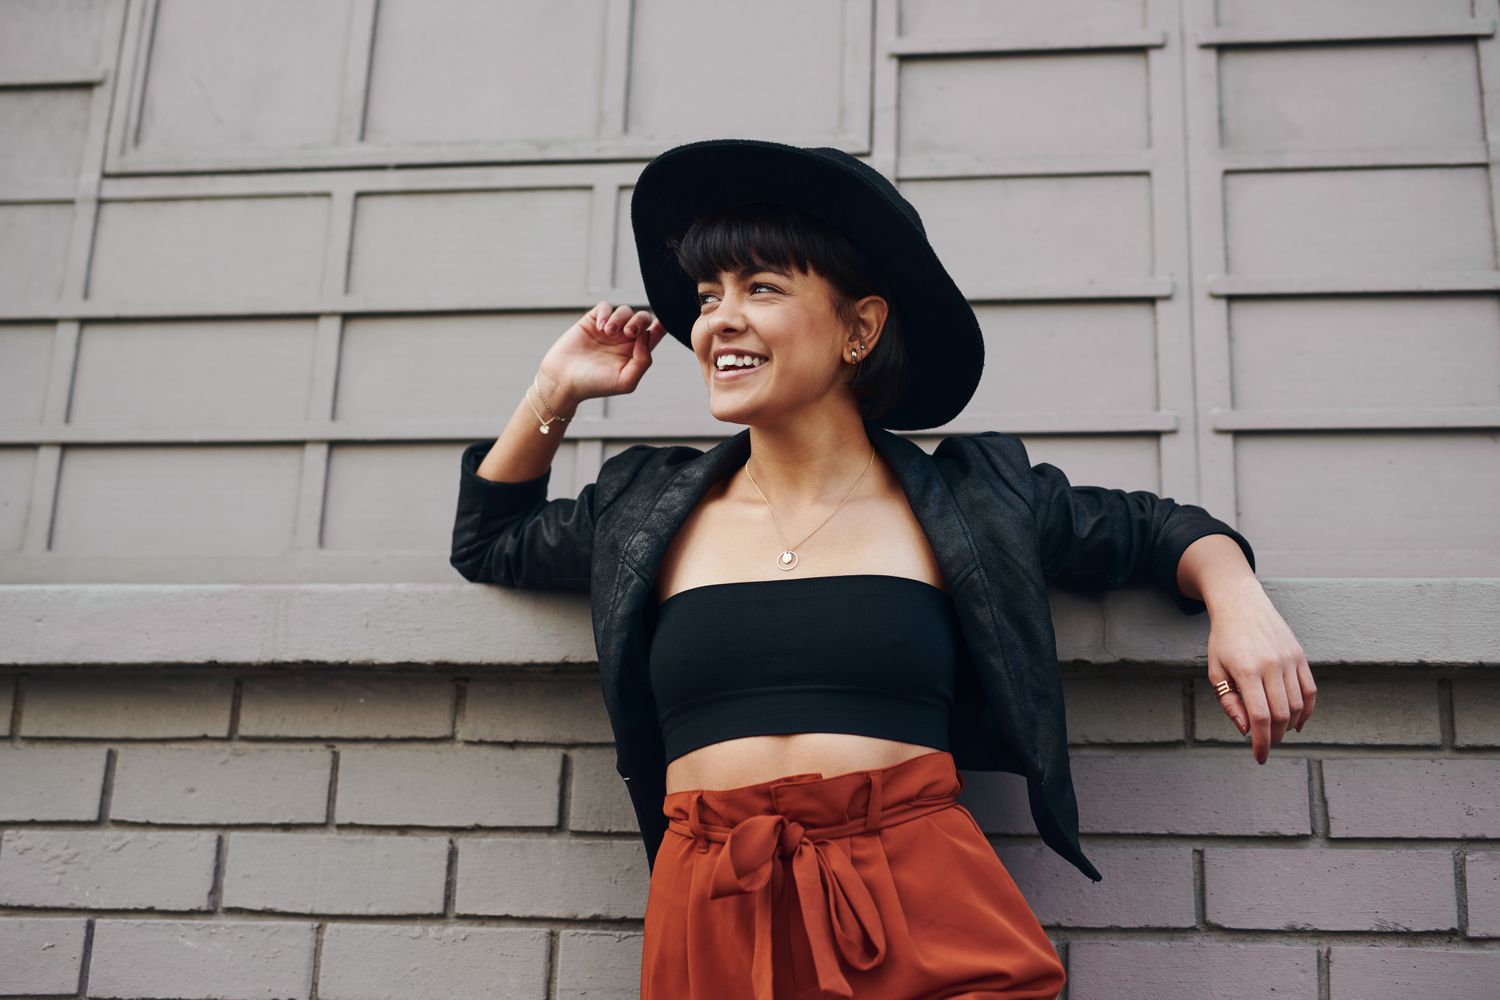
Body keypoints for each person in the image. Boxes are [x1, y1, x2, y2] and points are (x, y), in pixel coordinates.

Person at [450, 139, 1315, 1000]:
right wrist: (552, 393)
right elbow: (492, 541)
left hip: (912, 898)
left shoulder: (971, 499)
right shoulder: (644, 507)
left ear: (861, 327)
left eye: (762, 288)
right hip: (711, 909)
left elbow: (1156, 530)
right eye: (709, 296)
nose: (718, 320)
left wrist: (1238, 599)